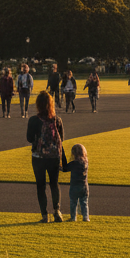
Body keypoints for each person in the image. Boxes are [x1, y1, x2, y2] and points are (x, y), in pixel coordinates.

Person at [27, 90, 65, 223]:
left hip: (38, 157)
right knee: (54, 184)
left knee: (41, 185)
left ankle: (44, 215)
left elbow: (29, 138)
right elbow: (62, 138)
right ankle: (57, 211)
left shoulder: (33, 120)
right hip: (54, 156)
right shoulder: (57, 120)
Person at [61, 143, 90, 222]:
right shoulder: (85, 163)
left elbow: (65, 168)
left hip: (74, 186)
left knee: (73, 202)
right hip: (84, 186)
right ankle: (86, 217)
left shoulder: (73, 163)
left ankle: (73, 217)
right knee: (84, 202)